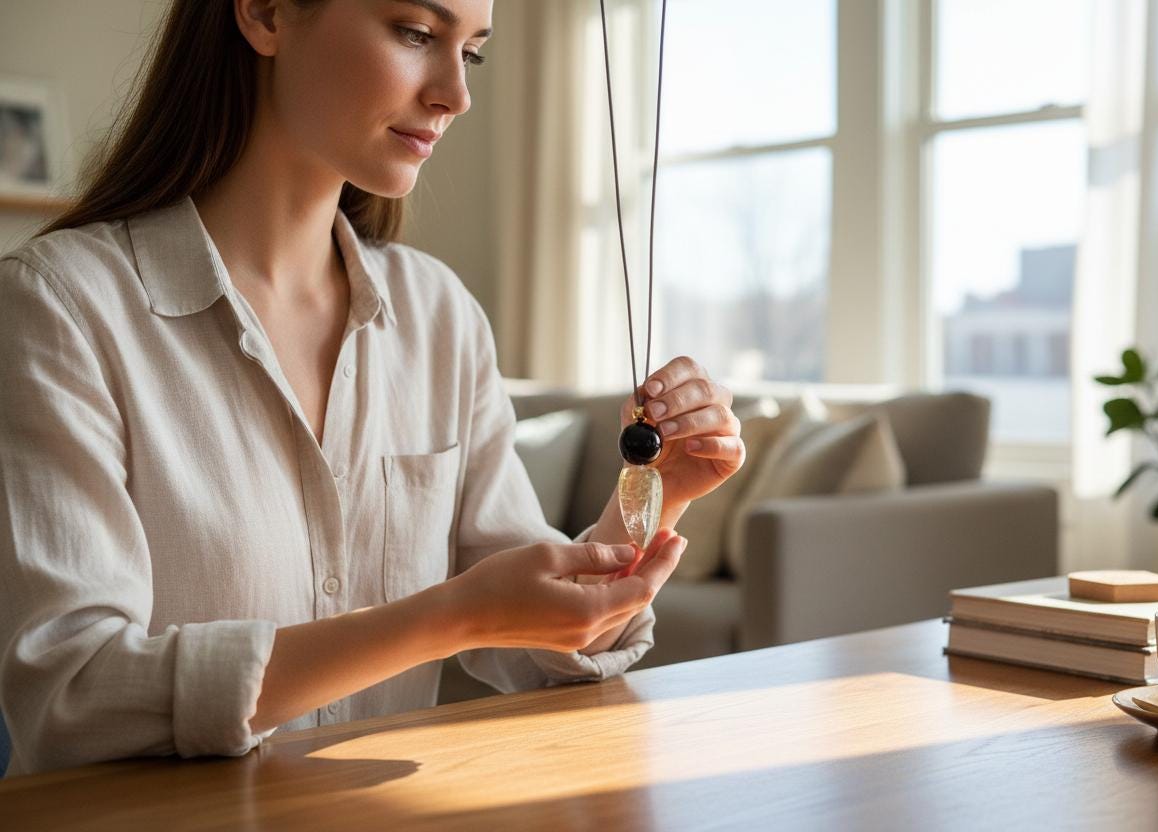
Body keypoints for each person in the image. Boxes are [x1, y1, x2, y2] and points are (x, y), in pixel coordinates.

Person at [0, 0, 745, 777]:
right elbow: (71, 694)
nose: (456, 95)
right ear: (263, 14)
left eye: (473, 53)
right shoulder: (60, 307)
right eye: (417, 34)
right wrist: (450, 618)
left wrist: (651, 494)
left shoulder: (439, 315)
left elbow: (538, 646)